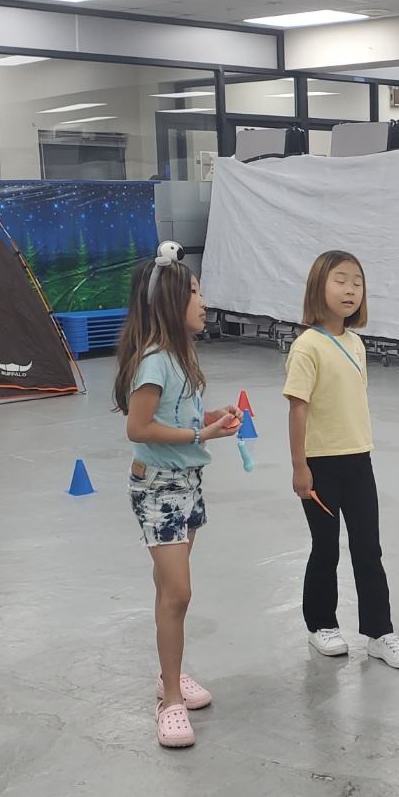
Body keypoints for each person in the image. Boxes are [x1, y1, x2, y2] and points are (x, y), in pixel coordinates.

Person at [114, 244, 242, 749]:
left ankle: (171, 673)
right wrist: (199, 436)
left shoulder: (180, 358)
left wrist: (210, 417)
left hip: (187, 484)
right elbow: (139, 427)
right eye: (193, 292)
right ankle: (169, 700)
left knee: (170, 590)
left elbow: (176, 414)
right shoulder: (154, 362)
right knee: (178, 593)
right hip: (159, 489)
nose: (203, 302)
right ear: (168, 302)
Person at [284, 250, 399, 669]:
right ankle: (321, 624)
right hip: (320, 465)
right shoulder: (307, 347)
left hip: (359, 461)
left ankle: (379, 632)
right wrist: (300, 467)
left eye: (357, 283)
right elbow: (298, 409)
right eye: (340, 280)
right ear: (318, 287)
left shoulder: (356, 344)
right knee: (325, 548)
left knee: (368, 547)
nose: (350, 290)